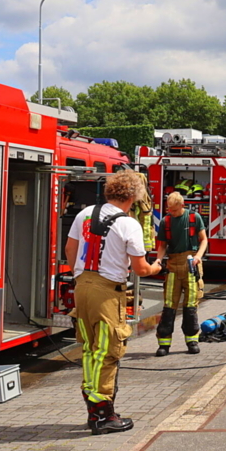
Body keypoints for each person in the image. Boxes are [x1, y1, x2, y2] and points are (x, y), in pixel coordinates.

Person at [66, 171, 163, 435]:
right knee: (108, 350)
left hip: (82, 287)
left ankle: (93, 404)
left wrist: (78, 276)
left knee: (90, 347)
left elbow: (70, 250)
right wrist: (155, 268)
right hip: (107, 292)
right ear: (133, 196)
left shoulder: (83, 214)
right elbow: (140, 268)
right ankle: (102, 415)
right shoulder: (128, 223)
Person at [154, 192, 208, 357]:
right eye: (169, 209)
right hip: (173, 264)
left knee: (191, 304)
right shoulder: (166, 221)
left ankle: (192, 340)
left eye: (175, 210)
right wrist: (158, 260)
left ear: (182, 206)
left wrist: (198, 256)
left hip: (191, 264)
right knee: (169, 304)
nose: (171, 212)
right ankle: (164, 343)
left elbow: (204, 239)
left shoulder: (194, 218)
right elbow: (163, 245)